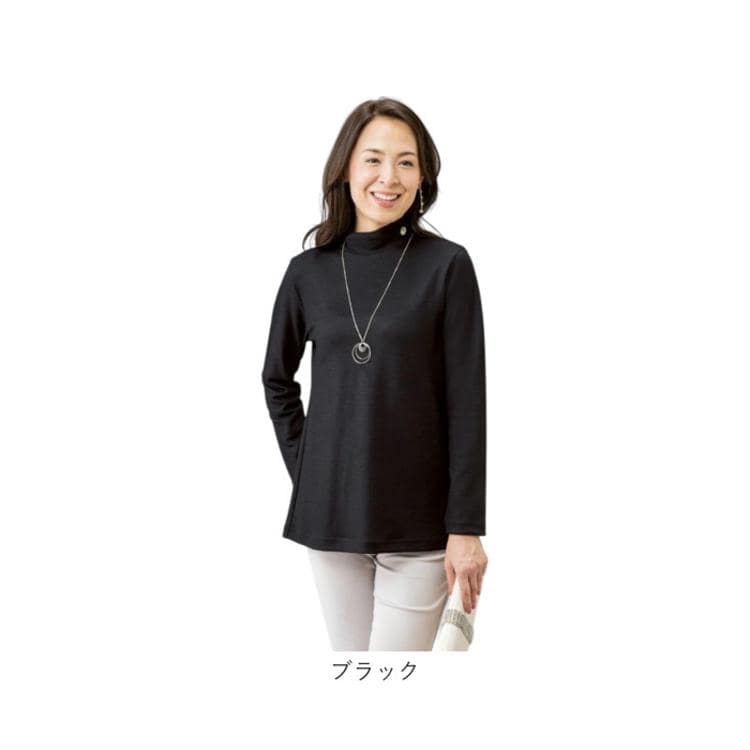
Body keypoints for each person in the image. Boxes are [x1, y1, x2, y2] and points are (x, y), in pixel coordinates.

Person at [261, 97, 488, 650]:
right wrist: (313, 472)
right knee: (350, 672)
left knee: (393, 678)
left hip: (422, 524)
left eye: (406, 162)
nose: (389, 177)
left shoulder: (447, 266)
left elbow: (467, 402)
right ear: (346, 168)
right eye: (374, 159)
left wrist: (466, 527)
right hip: (331, 520)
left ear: (423, 176)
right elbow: (277, 381)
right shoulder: (307, 272)